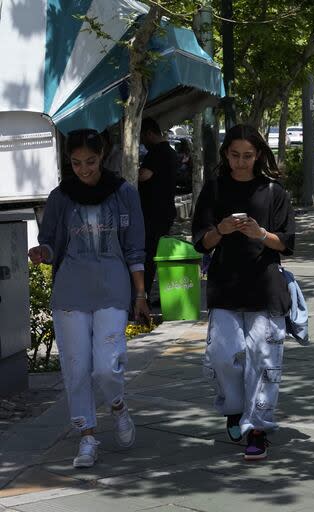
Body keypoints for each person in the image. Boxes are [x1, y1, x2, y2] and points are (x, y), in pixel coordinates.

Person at [28, 129, 150, 469]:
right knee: (76, 368)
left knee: (107, 366)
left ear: (103, 156)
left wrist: (140, 294)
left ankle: (118, 406)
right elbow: (52, 243)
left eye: (91, 162)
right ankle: (87, 436)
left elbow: (135, 247)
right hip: (70, 290)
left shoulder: (123, 193)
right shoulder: (59, 197)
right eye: (76, 163)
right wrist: (43, 252)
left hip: (113, 286)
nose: (84, 169)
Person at [192, 124, 295, 461]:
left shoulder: (273, 191)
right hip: (225, 286)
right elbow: (200, 242)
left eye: (247, 156)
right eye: (234, 155)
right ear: (226, 154)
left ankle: (257, 429)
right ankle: (235, 407)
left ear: (258, 156)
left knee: (263, 360)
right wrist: (219, 230)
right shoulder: (215, 189)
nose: (241, 162)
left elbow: (286, 243)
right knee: (223, 354)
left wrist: (260, 233)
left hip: (265, 285)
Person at [138, 117, 178, 300]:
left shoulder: (157, 152)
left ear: (149, 133)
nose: (142, 143)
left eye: (142, 138)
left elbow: (144, 176)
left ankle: (142, 294)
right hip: (164, 210)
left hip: (154, 212)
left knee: (148, 253)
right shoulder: (169, 151)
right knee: (152, 252)